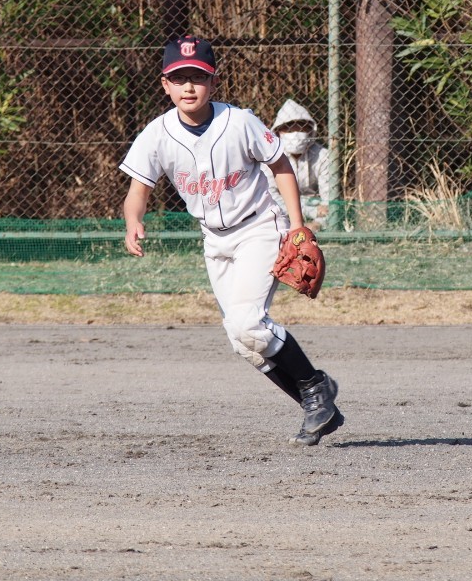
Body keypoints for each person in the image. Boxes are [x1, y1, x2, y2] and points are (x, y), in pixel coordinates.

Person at [119, 35, 344, 447]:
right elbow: (138, 190)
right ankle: (317, 405)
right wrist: (134, 220)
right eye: (179, 77)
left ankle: (315, 386)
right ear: (164, 84)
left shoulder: (238, 121)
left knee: (248, 324)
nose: (189, 86)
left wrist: (297, 224)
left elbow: (279, 164)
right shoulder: (157, 134)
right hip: (214, 241)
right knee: (243, 343)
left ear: (213, 82)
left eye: (198, 77)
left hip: (259, 228)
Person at [263, 99, 332, 227]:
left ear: (310, 130)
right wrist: (310, 211)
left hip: (316, 209)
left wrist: (317, 223)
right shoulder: (271, 156)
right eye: (288, 129)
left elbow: (328, 201)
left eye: (300, 128)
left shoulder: (323, 156)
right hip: (284, 210)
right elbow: (270, 195)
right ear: (278, 132)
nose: (295, 133)